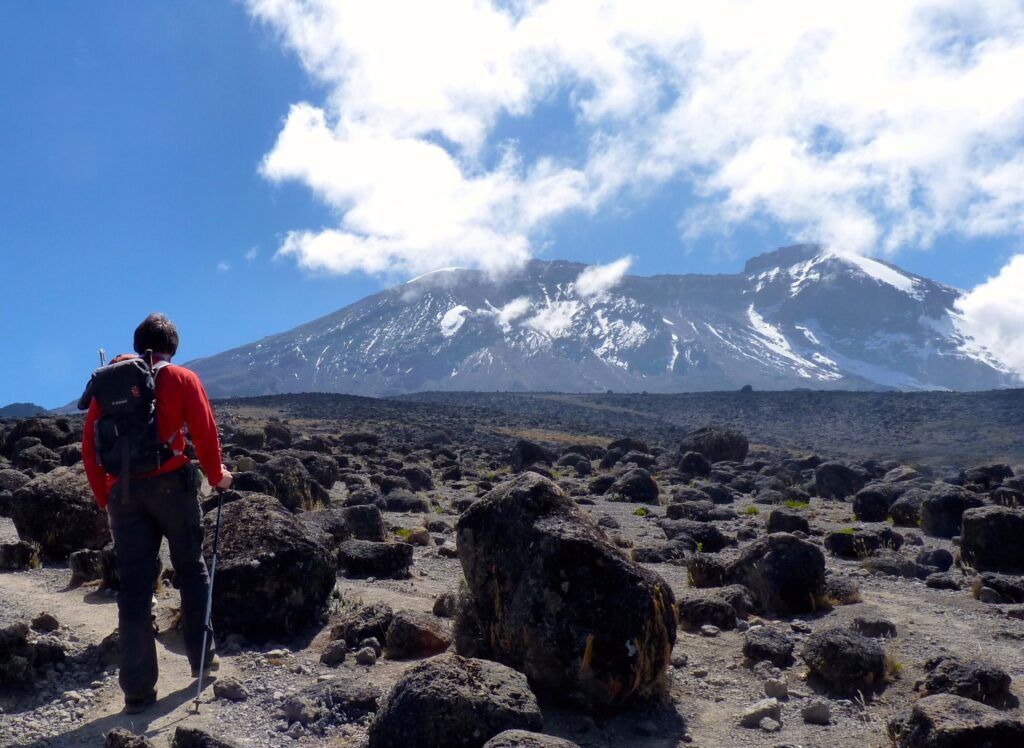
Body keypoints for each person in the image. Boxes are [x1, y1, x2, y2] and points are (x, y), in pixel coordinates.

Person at [81, 313, 232, 714]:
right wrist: (217, 477)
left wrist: (104, 497)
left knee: (134, 589)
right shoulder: (182, 379)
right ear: (174, 346)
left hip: (123, 494)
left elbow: (89, 447)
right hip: (172, 488)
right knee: (191, 571)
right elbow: (204, 431)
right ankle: (202, 660)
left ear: (137, 341)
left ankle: (136, 692)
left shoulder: (109, 382)